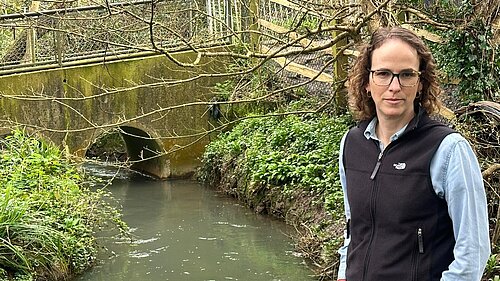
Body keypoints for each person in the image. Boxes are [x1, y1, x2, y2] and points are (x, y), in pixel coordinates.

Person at [336, 26, 491, 281]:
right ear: (366, 82)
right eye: (383, 73)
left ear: (420, 84)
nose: (394, 86)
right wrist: (343, 273)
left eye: (406, 74)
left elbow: (473, 252)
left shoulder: (448, 150)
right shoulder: (352, 144)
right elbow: (354, 228)